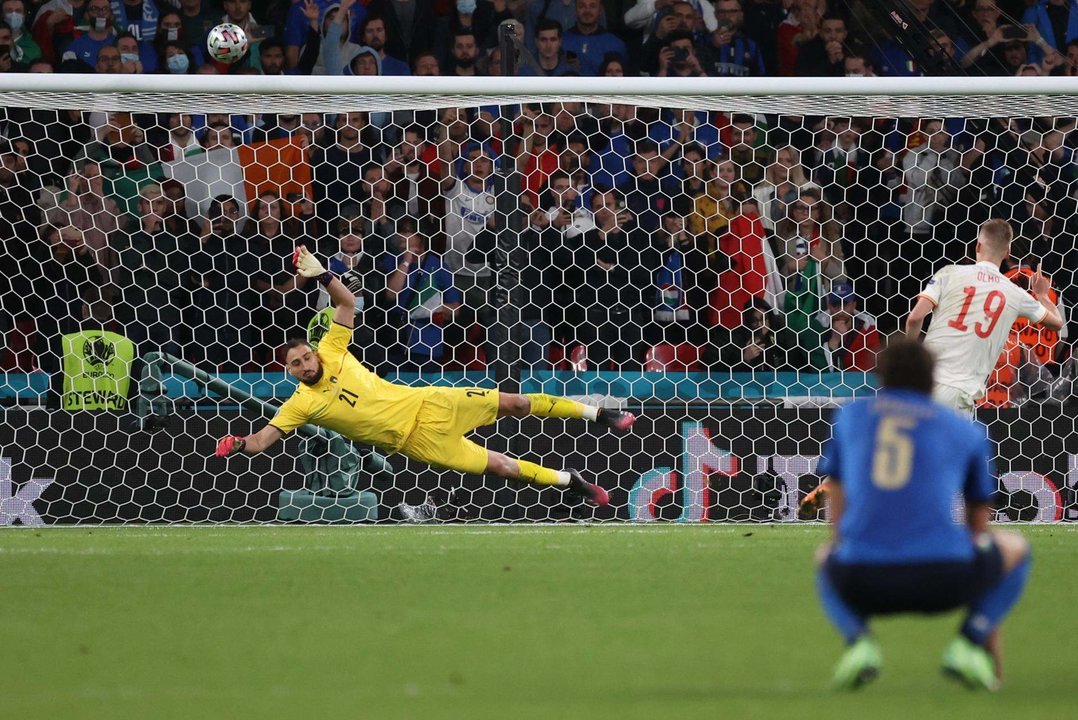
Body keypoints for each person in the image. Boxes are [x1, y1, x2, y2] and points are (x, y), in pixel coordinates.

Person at [214, 247, 636, 505]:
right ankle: (571, 481)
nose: (306, 365)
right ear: (287, 371)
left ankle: (597, 415)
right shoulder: (300, 404)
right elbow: (262, 441)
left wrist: (322, 274)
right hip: (417, 441)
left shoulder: (332, 350)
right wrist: (237, 444)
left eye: (305, 356)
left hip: (430, 402)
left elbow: (346, 303)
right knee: (502, 467)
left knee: (516, 402)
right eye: (296, 364)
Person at [814, 338, 1033, 692]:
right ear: (933, 378)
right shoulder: (966, 429)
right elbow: (979, 526)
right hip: (945, 578)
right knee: (1016, 550)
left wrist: (847, 547)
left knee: (825, 557)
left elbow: (836, 507)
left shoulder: (850, 417)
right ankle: (969, 640)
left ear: (880, 377)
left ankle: (859, 642)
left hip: (862, 578)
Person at [905, 219, 1064, 414]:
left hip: (923, 384)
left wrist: (908, 361)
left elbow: (915, 318)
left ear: (977, 245)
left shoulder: (948, 273)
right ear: (1007, 253)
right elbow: (1057, 324)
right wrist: (1042, 296)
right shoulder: (1014, 293)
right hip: (959, 393)